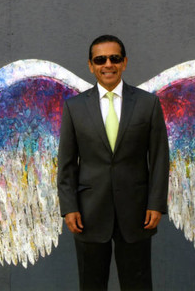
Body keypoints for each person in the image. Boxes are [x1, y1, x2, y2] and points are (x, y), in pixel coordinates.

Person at [57, 35, 169, 290]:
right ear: (91, 65)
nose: (108, 64)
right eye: (100, 59)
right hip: (88, 211)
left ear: (124, 62)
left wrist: (156, 203)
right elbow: (66, 164)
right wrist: (69, 207)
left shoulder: (147, 103)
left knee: (138, 284)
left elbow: (160, 158)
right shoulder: (74, 107)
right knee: (91, 284)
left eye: (114, 58)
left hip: (137, 210)